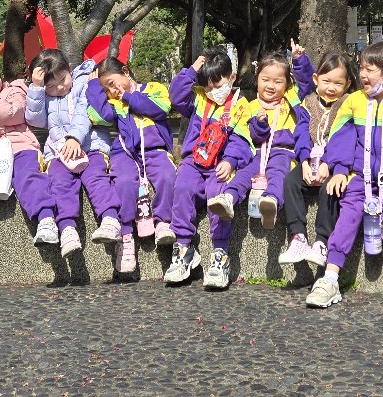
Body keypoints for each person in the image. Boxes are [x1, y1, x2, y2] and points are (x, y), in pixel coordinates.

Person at [305, 41, 383, 316]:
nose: (362, 74)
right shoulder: (354, 101)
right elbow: (342, 138)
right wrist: (339, 170)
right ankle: (330, 278)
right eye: (361, 67)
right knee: (347, 215)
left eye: (369, 69)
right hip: (359, 176)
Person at [24, 49, 124, 259]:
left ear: (69, 69)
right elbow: (35, 120)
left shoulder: (82, 83)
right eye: (51, 86)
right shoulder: (44, 95)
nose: (59, 88)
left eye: (62, 79)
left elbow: (83, 112)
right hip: (59, 151)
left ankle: (110, 219)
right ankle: (67, 229)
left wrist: (74, 138)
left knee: (96, 177)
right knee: (59, 181)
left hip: (91, 145)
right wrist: (36, 88)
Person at [166, 48, 253, 289]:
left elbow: (241, 139)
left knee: (218, 195)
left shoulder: (240, 105)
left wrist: (231, 161)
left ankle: (220, 255)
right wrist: (191, 71)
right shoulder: (198, 98)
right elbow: (176, 95)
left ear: (231, 78)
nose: (213, 91)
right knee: (183, 186)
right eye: (207, 86)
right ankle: (183, 248)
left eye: (218, 84)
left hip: (220, 164)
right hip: (194, 161)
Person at [87, 55, 178, 274]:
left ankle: (163, 222)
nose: (111, 91)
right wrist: (94, 88)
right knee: (124, 181)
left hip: (156, 151)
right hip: (125, 153)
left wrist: (128, 96)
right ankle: (125, 236)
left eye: (112, 84)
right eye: (106, 89)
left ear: (126, 72)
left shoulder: (153, 88)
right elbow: (99, 116)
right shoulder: (113, 102)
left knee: (167, 176)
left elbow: (161, 108)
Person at [0, 59, 60, 251]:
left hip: (21, 148)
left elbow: (9, 114)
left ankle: (46, 219)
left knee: (28, 176)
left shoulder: (15, 89)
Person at [278, 49, 353, 268]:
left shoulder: (348, 104)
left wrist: (328, 164)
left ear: (348, 84)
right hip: (309, 159)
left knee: (330, 188)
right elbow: (301, 132)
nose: (331, 88)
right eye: (326, 81)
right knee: (290, 182)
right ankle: (298, 236)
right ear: (316, 79)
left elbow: (344, 139)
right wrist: (303, 161)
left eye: (338, 83)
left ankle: (321, 241)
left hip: (334, 161)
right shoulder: (309, 102)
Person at [231, 50, 310, 232]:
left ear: (287, 83)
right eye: (265, 80)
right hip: (257, 152)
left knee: (279, 173)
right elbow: (249, 136)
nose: (270, 86)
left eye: (278, 81)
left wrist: (299, 60)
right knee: (243, 173)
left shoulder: (291, 100)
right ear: (257, 79)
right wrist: (259, 125)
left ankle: (271, 201)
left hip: (283, 151)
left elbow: (306, 82)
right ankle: (228, 197)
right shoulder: (249, 106)